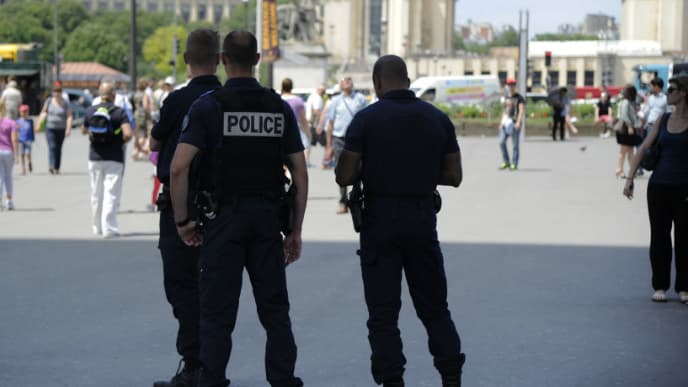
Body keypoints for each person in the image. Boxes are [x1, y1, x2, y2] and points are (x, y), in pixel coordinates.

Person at [169, 30, 307, 387]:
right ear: (258, 59)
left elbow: (179, 167)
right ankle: (283, 380)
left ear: (224, 60)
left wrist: (183, 221)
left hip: (223, 220)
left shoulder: (208, 107)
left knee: (217, 313)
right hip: (266, 219)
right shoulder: (278, 107)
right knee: (275, 311)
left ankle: (212, 379)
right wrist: (295, 230)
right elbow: (300, 171)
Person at [335, 55, 466, 387]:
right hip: (422, 218)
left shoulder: (365, 120)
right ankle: (451, 375)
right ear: (407, 80)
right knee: (435, 307)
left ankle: (392, 380)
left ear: (378, 84)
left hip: (379, 221)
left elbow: (346, 174)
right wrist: (419, 173)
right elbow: (454, 175)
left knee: (383, 314)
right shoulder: (437, 119)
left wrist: (373, 169)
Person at [148, 28, 223, 387]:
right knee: (217, 288)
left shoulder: (177, 101)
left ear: (186, 60)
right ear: (219, 60)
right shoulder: (229, 98)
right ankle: (212, 367)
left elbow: (156, 144)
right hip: (226, 208)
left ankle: (194, 365)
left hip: (181, 206)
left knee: (181, 285)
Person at [623, 74, 688, 304]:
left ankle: (683, 288)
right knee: (659, 237)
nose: (668, 93)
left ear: (684, 93)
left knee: (684, 239)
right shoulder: (663, 118)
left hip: (684, 189)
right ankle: (660, 285)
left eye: (672, 89)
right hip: (659, 186)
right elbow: (643, 148)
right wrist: (630, 178)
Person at [82, 82, 132, 238]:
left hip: (95, 157)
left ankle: (96, 226)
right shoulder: (119, 112)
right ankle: (108, 228)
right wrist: (120, 140)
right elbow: (128, 134)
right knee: (111, 192)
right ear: (113, 96)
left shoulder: (90, 111)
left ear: (99, 94)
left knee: (96, 193)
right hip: (114, 157)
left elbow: (84, 130)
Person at [326, 76, 367, 213]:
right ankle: (343, 200)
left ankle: (355, 197)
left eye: (349, 79)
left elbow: (367, 118)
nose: (347, 81)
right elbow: (330, 123)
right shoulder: (335, 101)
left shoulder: (360, 99)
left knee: (358, 168)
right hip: (339, 139)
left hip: (356, 139)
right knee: (341, 169)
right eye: (344, 80)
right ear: (340, 85)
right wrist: (329, 145)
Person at [37, 81, 73, 175]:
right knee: (52, 147)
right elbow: (44, 112)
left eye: (59, 91)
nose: (57, 93)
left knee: (58, 148)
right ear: (53, 92)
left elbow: (69, 116)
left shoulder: (65, 103)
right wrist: (39, 123)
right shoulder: (49, 101)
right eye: (55, 91)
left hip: (61, 128)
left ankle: (57, 167)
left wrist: (68, 129)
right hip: (50, 128)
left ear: (61, 92)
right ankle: (51, 166)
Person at [281, 78, 311, 164]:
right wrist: (308, 133)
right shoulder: (298, 101)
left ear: (282, 87)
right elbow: (303, 120)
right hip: (296, 130)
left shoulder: (279, 99)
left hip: (281, 131)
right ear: (291, 87)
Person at [615, 85, 642, 178]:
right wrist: (630, 126)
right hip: (626, 129)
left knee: (628, 150)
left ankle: (631, 170)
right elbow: (624, 116)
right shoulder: (626, 102)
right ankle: (620, 170)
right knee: (625, 150)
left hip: (625, 128)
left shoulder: (625, 102)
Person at [499, 78, 524, 170]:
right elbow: (504, 111)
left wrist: (518, 122)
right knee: (501, 142)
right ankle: (506, 161)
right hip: (506, 122)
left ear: (515, 86)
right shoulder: (506, 97)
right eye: (509, 85)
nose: (511, 87)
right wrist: (501, 122)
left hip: (514, 123)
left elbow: (521, 111)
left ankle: (514, 163)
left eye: (512, 85)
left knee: (515, 145)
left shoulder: (519, 98)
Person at [0, 100, 18, 210]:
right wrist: (16, 153)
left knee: (0, 176)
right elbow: (14, 139)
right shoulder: (11, 122)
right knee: (8, 176)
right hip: (8, 151)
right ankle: (9, 200)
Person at [132, 78, 152, 161]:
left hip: (136, 114)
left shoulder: (135, 94)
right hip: (142, 116)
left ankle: (135, 151)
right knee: (143, 134)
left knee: (137, 134)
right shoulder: (144, 94)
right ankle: (140, 152)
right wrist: (149, 115)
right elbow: (145, 106)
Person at [16, 104, 34, 175]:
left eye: (25, 112)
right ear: (20, 112)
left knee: (28, 153)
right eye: (22, 112)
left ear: (28, 112)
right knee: (22, 154)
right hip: (21, 140)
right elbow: (15, 131)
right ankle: (23, 168)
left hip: (28, 140)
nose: (24, 113)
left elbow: (32, 130)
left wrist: (33, 138)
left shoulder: (30, 121)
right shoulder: (18, 121)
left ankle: (29, 161)